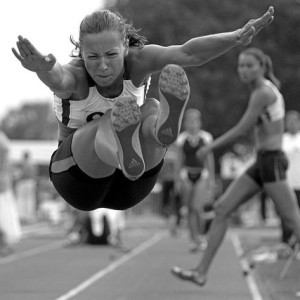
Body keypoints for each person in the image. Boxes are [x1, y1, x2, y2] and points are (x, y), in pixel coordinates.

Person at [12, 7, 274, 212]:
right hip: (76, 181)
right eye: (92, 57)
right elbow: (58, 78)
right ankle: (126, 151)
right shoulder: (76, 77)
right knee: (115, 116)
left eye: (111, 55)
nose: (102, 66)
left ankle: (160, 133)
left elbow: (189, 54)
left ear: (125, 46)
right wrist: (43, 69)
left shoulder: (139, 61)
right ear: (81, 54)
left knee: (152, 106)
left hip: (134, 184)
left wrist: (235, 37)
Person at [171, 47, 300, 286]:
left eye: (249, 65)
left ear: (261, 67)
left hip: (272, 161)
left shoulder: (262, 92)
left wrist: (209, 148)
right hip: (261, 162)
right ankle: (201, 272)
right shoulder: (260, 91)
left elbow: (242, 129)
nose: (243, 70)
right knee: (221, 209)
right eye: (240, 65)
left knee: (294, 221)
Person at [176, 108, 215, 252]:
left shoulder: (206, 138)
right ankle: (193, 239)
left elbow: (209, 159)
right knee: (190, 209)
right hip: (186, 174)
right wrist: (177, 180)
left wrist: (211, 180)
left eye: (195, 120)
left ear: (199, 122)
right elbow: (179, 160)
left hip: (201, 174)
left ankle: (201, 236)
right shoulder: (182, 138)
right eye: (189, 120)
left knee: (198, 207)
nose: (192, 123)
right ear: (186, 123)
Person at [0, 130, 22, 256]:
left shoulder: (2, 141)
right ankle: (5, 242)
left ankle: (4, 242)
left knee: (3, 216)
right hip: (4, 183)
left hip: (2, 184)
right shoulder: (3, 139)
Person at [281, 110, 300, 245]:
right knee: (286, 214)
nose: (291, 123)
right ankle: (287, 242)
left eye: (294, 121)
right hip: (285, 184)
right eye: (289, 121)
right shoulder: (282, 140)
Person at [15, 151, 37, 223]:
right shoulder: (32, 164)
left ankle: (22, 215)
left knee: (21, 199)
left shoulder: (23, 164)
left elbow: (21, 174)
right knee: (30, 199)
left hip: (24, 182)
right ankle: (29, 216)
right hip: (31, 182)